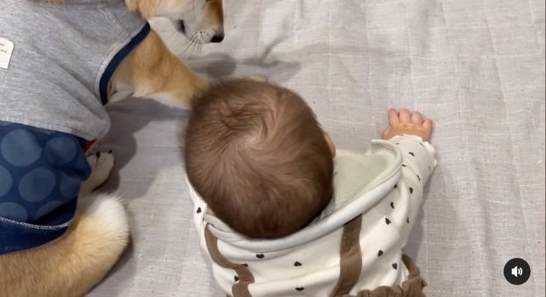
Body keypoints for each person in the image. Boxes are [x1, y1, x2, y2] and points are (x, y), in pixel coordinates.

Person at [185, 78, 435, 296]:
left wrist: (207, 185)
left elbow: (203, 202)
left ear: (214, 209)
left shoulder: (222, 245)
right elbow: (410, 174)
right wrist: (408, 139)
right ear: (329, 145)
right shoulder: (380, 199)